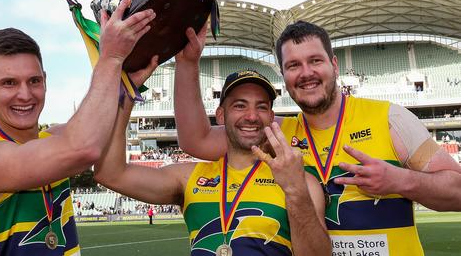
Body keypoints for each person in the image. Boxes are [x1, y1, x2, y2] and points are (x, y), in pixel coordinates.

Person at [174, 21, 461, 255]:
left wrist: (400, 180)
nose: (306, 73)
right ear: (284, 77)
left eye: (315, 61)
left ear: (334, 65)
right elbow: (195, 140)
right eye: (293, 65)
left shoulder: (389, 119)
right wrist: (188, 63)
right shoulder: (275, 133)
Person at [0, 0, 156, 255]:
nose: (25, 95)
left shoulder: (54, 139)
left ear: (45, 80)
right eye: (9, 83)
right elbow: (84, 147)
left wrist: (127, 88)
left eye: (34, 81)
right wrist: (111, 57)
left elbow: (103, 155)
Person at [94, 66, 331, 255]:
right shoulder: (189, 177)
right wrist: (126, 95)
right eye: (239, 106)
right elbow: (109, 173)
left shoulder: (301, 182)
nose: (251, 116)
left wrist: (295, 191)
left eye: (261, 107)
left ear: (271, 117)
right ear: (220, 115)